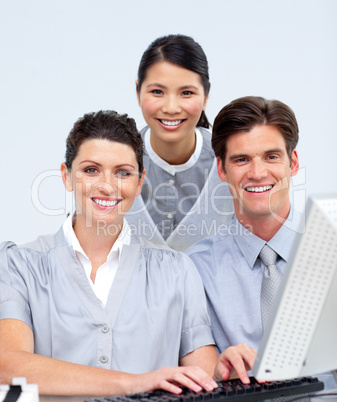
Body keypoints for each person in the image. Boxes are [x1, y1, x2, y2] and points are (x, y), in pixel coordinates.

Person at [0, 110, 220, 396]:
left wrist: (229, 372)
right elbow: (8, 365)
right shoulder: (20, 264)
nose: (107, 185)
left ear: (139, 182)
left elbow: (203, 379)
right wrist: (134, 383)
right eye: (91, 170)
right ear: (67, 177)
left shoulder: (177, 270)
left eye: (123, 173)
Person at [187, 96, 302, 384]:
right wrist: (218, 372)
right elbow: (201, 376)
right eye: (241, 159)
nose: (257, 173)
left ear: (293, 162)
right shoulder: (194, 268)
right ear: (222, 170)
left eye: (271, 156)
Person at [126, 34, 234, 251]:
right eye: (157, 92)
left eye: (186, 92)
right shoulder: (113, 159)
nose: (171, 107)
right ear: (138, 92)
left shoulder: (232, 159)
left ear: (206, 95)